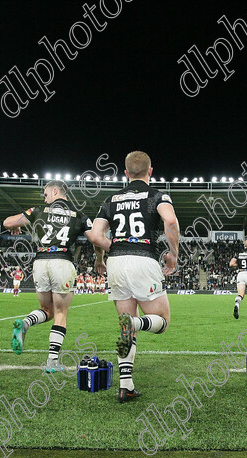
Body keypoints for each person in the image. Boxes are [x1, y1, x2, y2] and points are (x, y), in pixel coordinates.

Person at [87, 150, 179, 403]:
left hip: (116, 263)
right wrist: (173, 254)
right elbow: (170, 221)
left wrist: (106, 254)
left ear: (126, 174)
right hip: (144, 259)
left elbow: (95, 236)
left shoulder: (111, 199)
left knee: (125, 325)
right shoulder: (157, 195)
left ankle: (125, 386)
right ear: (150, 171)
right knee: (161, 321)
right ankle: (136, 324)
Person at [5, 181, 93, 372]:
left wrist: (16, 227)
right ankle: (52, 363)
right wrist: (101, 258)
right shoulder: (78, 215)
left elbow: (8, 222)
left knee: (46, 309)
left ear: (55, 191)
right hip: (62, 261)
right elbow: (95, 237)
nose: (45, 198)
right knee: (60, 315)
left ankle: (26, 323)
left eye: (46, 194)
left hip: (40, 262)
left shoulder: (38, 210)